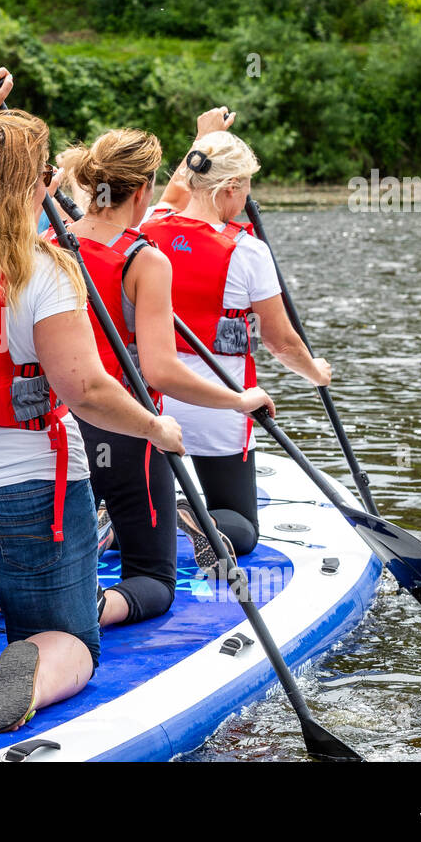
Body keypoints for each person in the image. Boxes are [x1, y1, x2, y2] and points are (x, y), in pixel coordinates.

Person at [0, 70, 184, 735]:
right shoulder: (41, 269)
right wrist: (156, 426)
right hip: (30, 497)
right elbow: (87, 391)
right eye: (42, 173)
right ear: (30, 186)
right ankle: (33, 663)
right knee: (68, 638)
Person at [49, 129, 275, 628]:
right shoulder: (146, 260)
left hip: (55, 430)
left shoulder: (45, 244)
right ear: (142, 192)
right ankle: (85, 610)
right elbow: (161, 371)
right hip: (128, 428)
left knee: (63, 540)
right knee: (153, 581)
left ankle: (41, 590)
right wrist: (239, 400)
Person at [142, 128, 332, 556]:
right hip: (221, 402)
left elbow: (176, 194)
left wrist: (202, 136)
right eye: (245, 188)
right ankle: (195, 516)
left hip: (147, 398)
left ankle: (120, 523)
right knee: (242, 527)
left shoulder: (145, 226)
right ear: (230, 187)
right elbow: (281, 342)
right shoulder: (247, 251)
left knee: (141, 508)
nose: (247, 200)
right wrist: (315, 372)